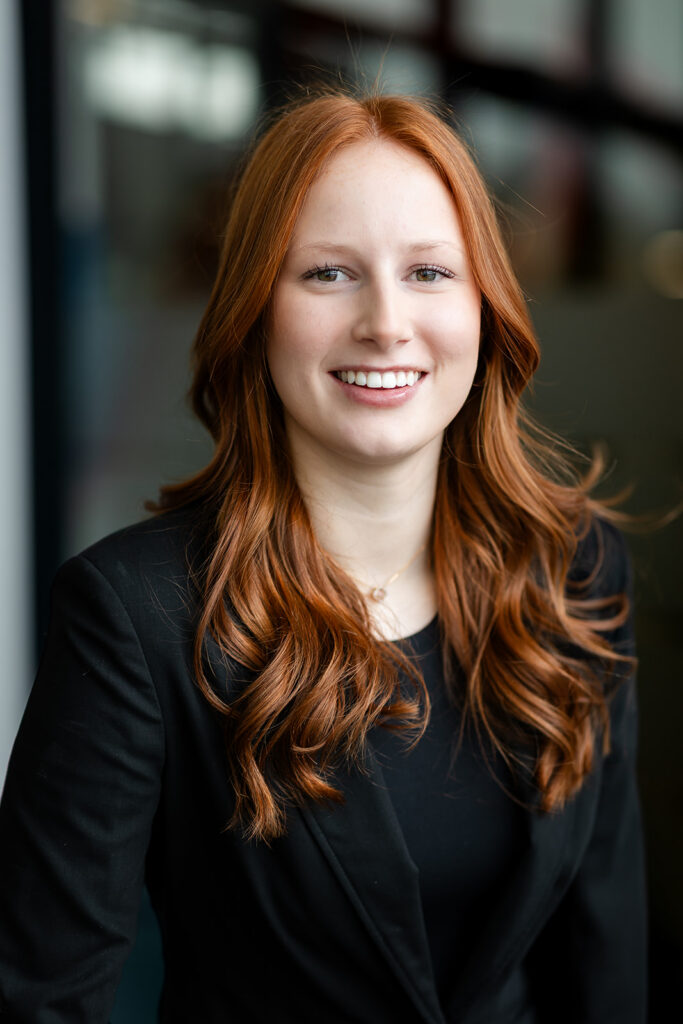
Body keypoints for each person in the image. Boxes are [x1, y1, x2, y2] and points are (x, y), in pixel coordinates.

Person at [0, 91, 646, 1023]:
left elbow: (605, 957)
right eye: (329, 274)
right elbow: (44, 999)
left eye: (428, 272)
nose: (385, 323)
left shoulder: (575, 574)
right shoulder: (134, 615)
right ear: (255, 310)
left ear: (485, 307)